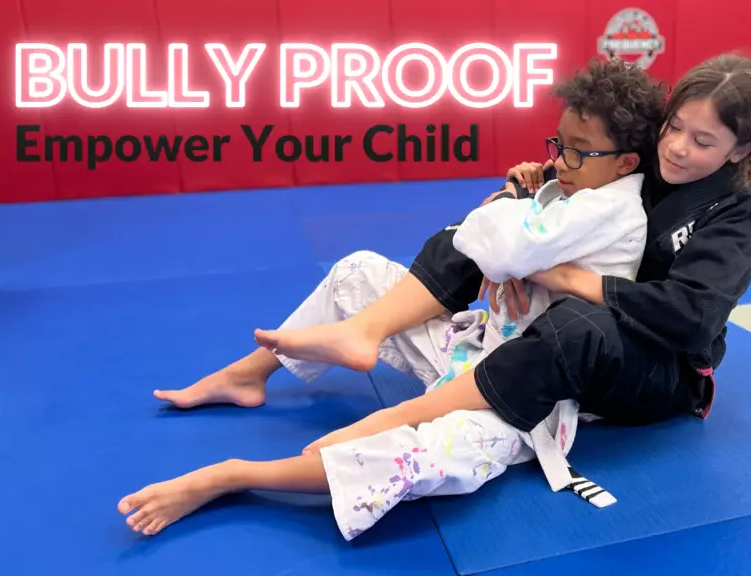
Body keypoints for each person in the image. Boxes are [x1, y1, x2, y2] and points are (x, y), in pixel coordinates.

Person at [120, 58, 668, 538]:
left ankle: (233, 476)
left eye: (577, 153)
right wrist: (518, 212)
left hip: (526, 400)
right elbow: (497, 247)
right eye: (558, 145)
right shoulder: (573, 184)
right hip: (472, 350)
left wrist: (506, 214)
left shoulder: (612, 209)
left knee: (422, 459)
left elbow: (493, 245)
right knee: (358, 273)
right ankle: (250, 373)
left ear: (625, 163)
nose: (559, 161)